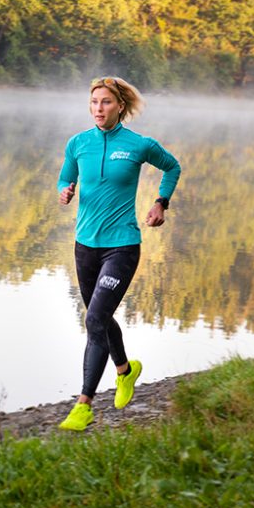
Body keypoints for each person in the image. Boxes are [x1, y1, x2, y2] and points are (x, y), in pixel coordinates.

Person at [57, 76, 181, 432]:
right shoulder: (78, 143)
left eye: (106, 102)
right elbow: (65, 177)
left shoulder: (139, 145)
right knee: (101, 317)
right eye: (94, 102)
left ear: (120, 106)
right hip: (85, 246)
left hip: (122, 245)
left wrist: (161, 203)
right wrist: (65, 190)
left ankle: (83, 405)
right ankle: (126, 371)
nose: (99, 108)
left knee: (94, 320)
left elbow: (172, 166)